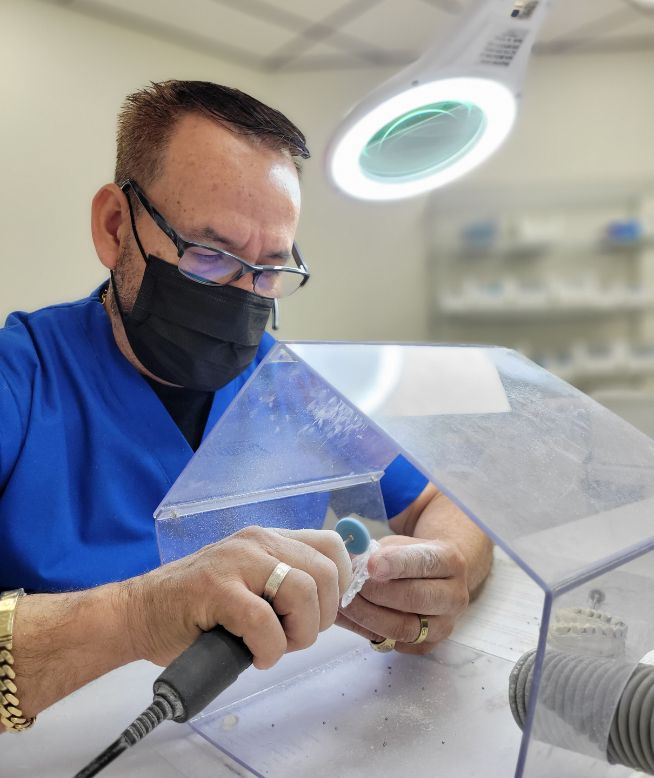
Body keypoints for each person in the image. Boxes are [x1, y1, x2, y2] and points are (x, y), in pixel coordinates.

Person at [0, 80, 492, 733]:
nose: (242, 296)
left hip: (268, 733)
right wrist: (137, 616)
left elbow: (444, 502)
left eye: (268, 269)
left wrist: (440, 572)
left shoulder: (295, 389)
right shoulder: (22, 380)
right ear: (117, 228)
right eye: (210, 254)